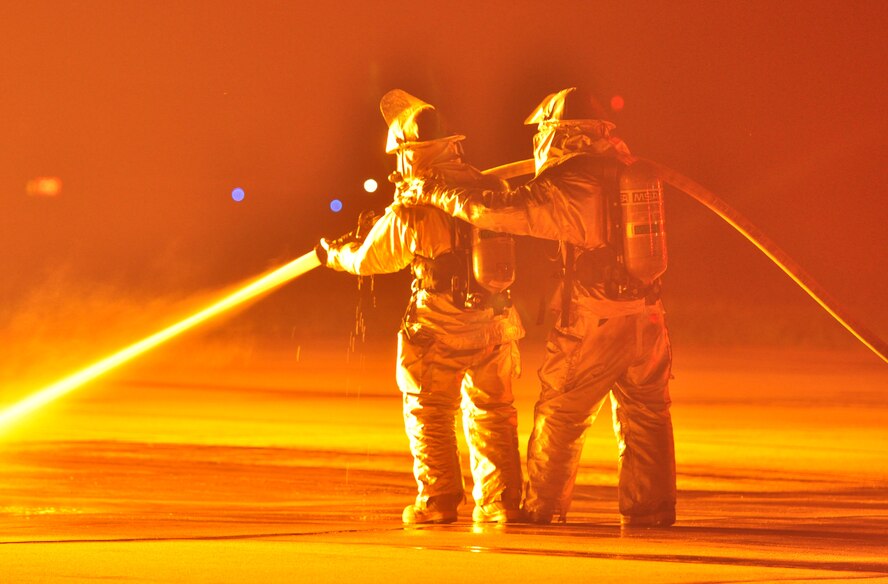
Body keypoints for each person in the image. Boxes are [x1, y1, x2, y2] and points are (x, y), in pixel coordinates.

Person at [400, 87, 676, 527]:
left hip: (596, 319)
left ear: (560, 134)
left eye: (545, 131)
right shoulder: (626, 173)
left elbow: (497, 211)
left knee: (561, 414)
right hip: (648, 317)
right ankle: (652, 510)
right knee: (647, 412)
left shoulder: (570, 186)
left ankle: (543, 508)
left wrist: (434, 191)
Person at [316, 89, 525, 524]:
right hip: (495, 322)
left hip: (439, 324)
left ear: (411, 154)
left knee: (429, 410)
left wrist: (333, 254)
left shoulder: (415, 203)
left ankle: (438, 500)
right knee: (494, 413)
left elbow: (371, 259)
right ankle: (501, 503)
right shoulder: (487, 188)